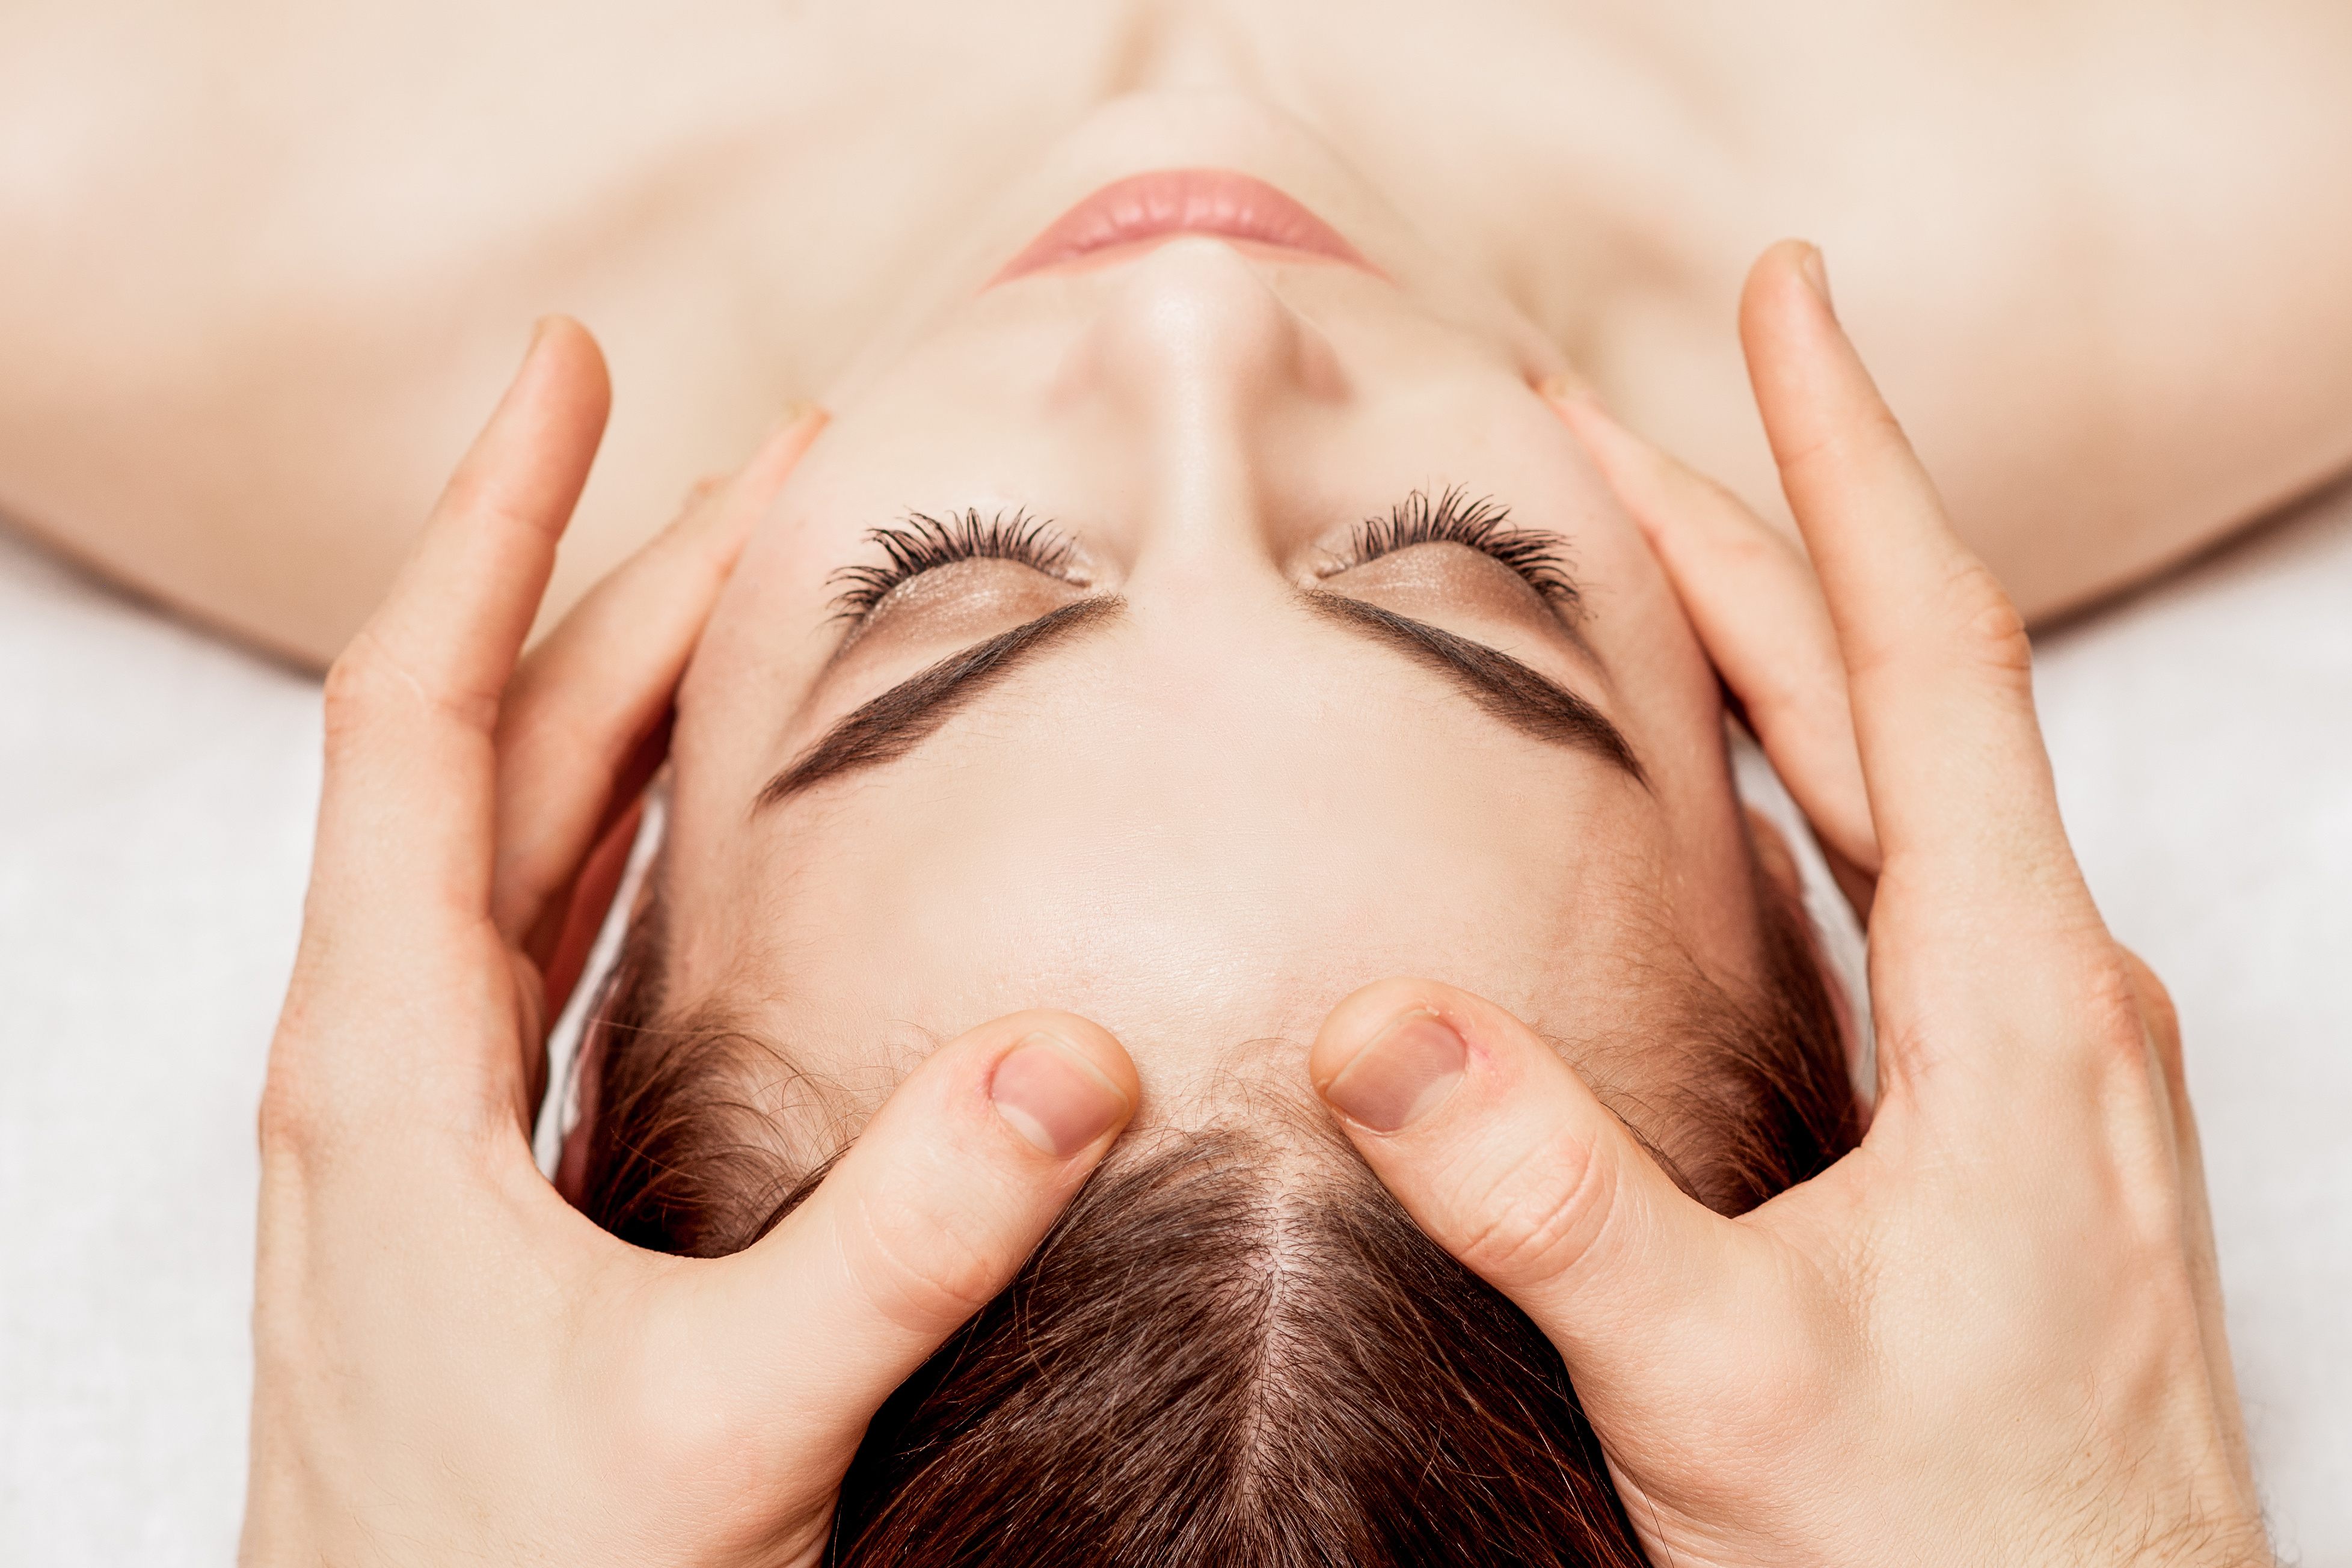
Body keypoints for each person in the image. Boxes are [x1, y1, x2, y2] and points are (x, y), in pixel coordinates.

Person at [4, 11, 2326, 1564]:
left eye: (943, 601)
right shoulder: (2240, 186)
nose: (1201, 332)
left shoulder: (90, 217)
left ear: (602, 915)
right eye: (1469, 581)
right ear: (1817, 864)